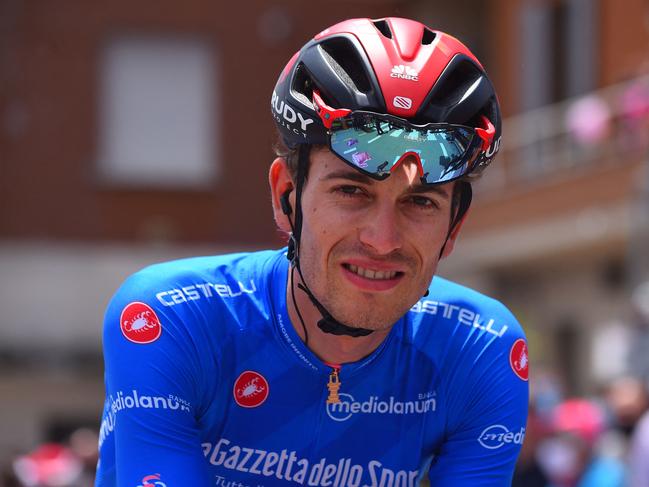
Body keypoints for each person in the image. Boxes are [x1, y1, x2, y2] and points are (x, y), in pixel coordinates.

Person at [95, 17, 528, 486]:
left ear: (454, 225)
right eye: (351, 192)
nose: (383, 240)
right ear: (287, 197)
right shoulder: (170, 317)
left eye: (420, 202)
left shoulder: (481, 347)